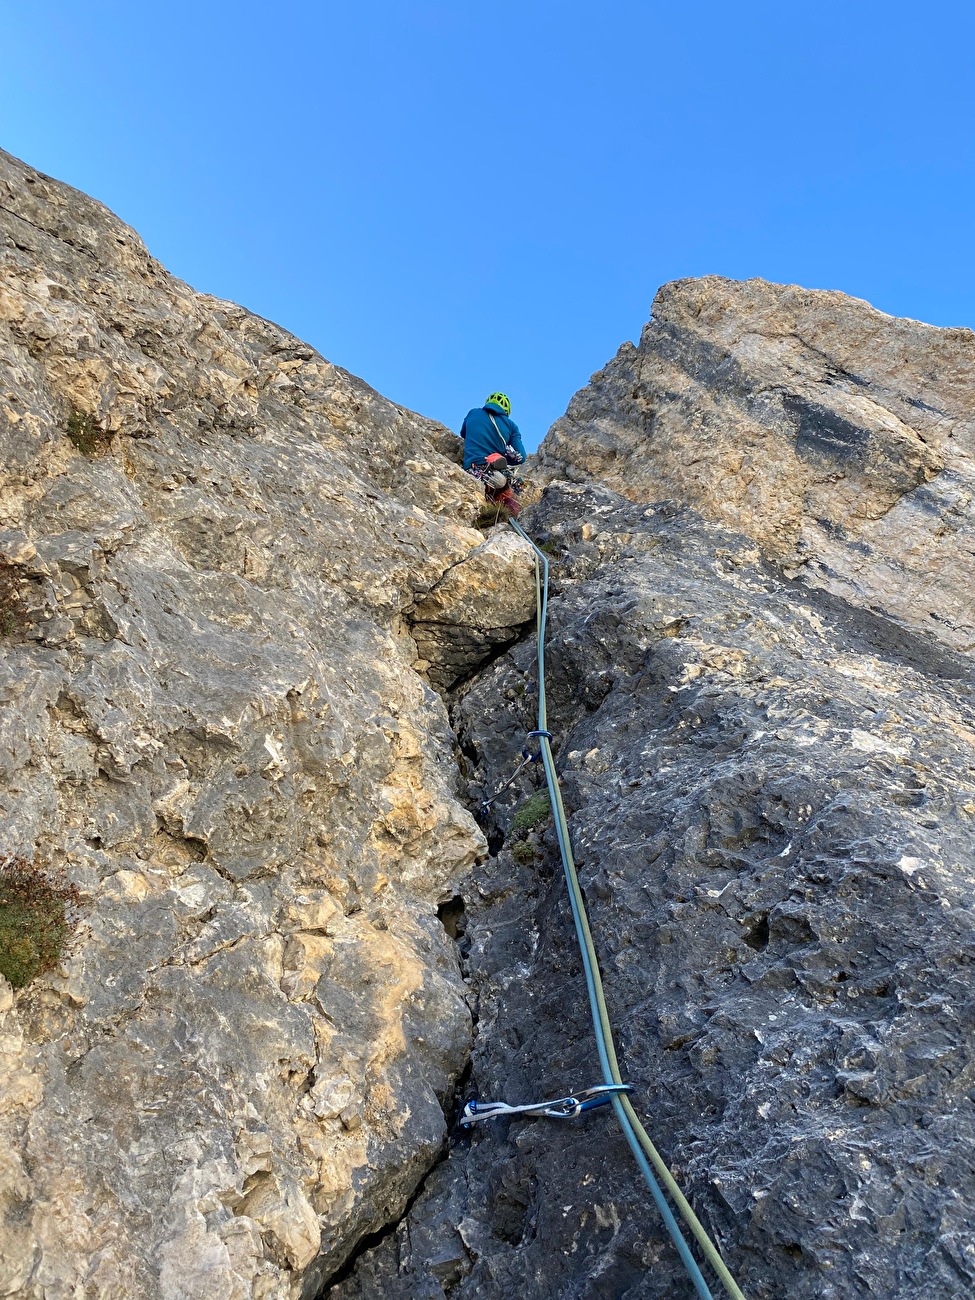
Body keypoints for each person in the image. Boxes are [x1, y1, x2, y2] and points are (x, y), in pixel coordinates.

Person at [460, 392, 528, 517]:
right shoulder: (511, 426)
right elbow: (521, 457)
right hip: (494, 476)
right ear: (506, 410)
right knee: (509, 497)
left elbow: (463, 433)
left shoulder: (473, 413)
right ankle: (512, 518)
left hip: (470, 468)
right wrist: (506, 459)